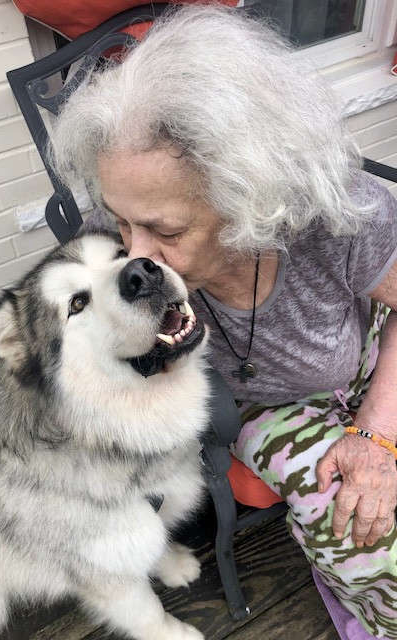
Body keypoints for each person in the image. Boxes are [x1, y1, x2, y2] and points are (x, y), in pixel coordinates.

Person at [49, 4, 397, 638]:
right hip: (263, 409)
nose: (137, 258)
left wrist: (377, 432)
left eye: (167, 230)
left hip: (371, 354)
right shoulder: (117, 250)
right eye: (124, 222)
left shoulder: (343, 219)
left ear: (250, 199)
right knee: (361, 530)